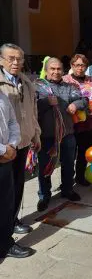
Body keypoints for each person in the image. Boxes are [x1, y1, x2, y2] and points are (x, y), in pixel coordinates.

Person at [35, 58, 88, 212]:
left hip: (67, 134)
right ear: (46, 70)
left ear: (63, 71)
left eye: (59, 69)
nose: (56, 72)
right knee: (45, 167)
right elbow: (31, 110)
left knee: (68, 163)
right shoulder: (38, 87)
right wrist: (45, 103)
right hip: (47, 136)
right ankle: (44, 195)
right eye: (52, 69)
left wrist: (75, 104)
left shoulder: (69, 87)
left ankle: (67, 189)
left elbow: (84, 100)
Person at [0, 43, 41, 235]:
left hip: (22, 141)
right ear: (1, 60)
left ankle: (13, 220)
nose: (15, 62)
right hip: (5, 147)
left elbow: (32, 111)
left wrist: (36, 134)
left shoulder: (26, 81)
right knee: (5, 191)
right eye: (11, 58)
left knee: (18, 184)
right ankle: (5, 227)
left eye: (19, 59)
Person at [0, 92, 35, 258]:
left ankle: (5, 244)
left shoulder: (3, 96)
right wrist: (3, 150)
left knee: (6, 204)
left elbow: (13, 123)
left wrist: (12, 145)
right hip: (3, 153)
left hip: (6, 158)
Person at [63, 54, 92, 186]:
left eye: (83, 65)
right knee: (69, 154)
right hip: (71, 123)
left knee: (84, 151)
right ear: (72, 66)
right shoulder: (65, 80)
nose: (80, 68)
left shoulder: (91, 80)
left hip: (88, 122)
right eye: (77, 65)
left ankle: (80, 176)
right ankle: (67, 181)